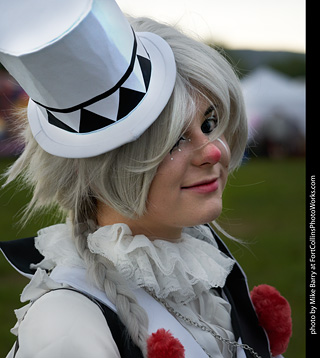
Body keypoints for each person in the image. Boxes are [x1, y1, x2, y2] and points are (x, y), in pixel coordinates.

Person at [0, 1, 291, 357]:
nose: (214, 152)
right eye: (173, 142)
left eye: (209, 124)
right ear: (100, 169)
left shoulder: (198, 266)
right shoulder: (67, 324)